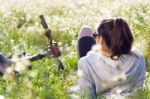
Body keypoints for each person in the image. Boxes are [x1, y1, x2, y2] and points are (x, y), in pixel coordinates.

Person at [77, 18, 146, 98]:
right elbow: (139, 90)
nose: (95, 38)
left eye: (95, 35)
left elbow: (87, 96)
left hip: (95, 69)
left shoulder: (85, 63)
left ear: (101, 39)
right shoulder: (138, 57)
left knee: (85, 30)